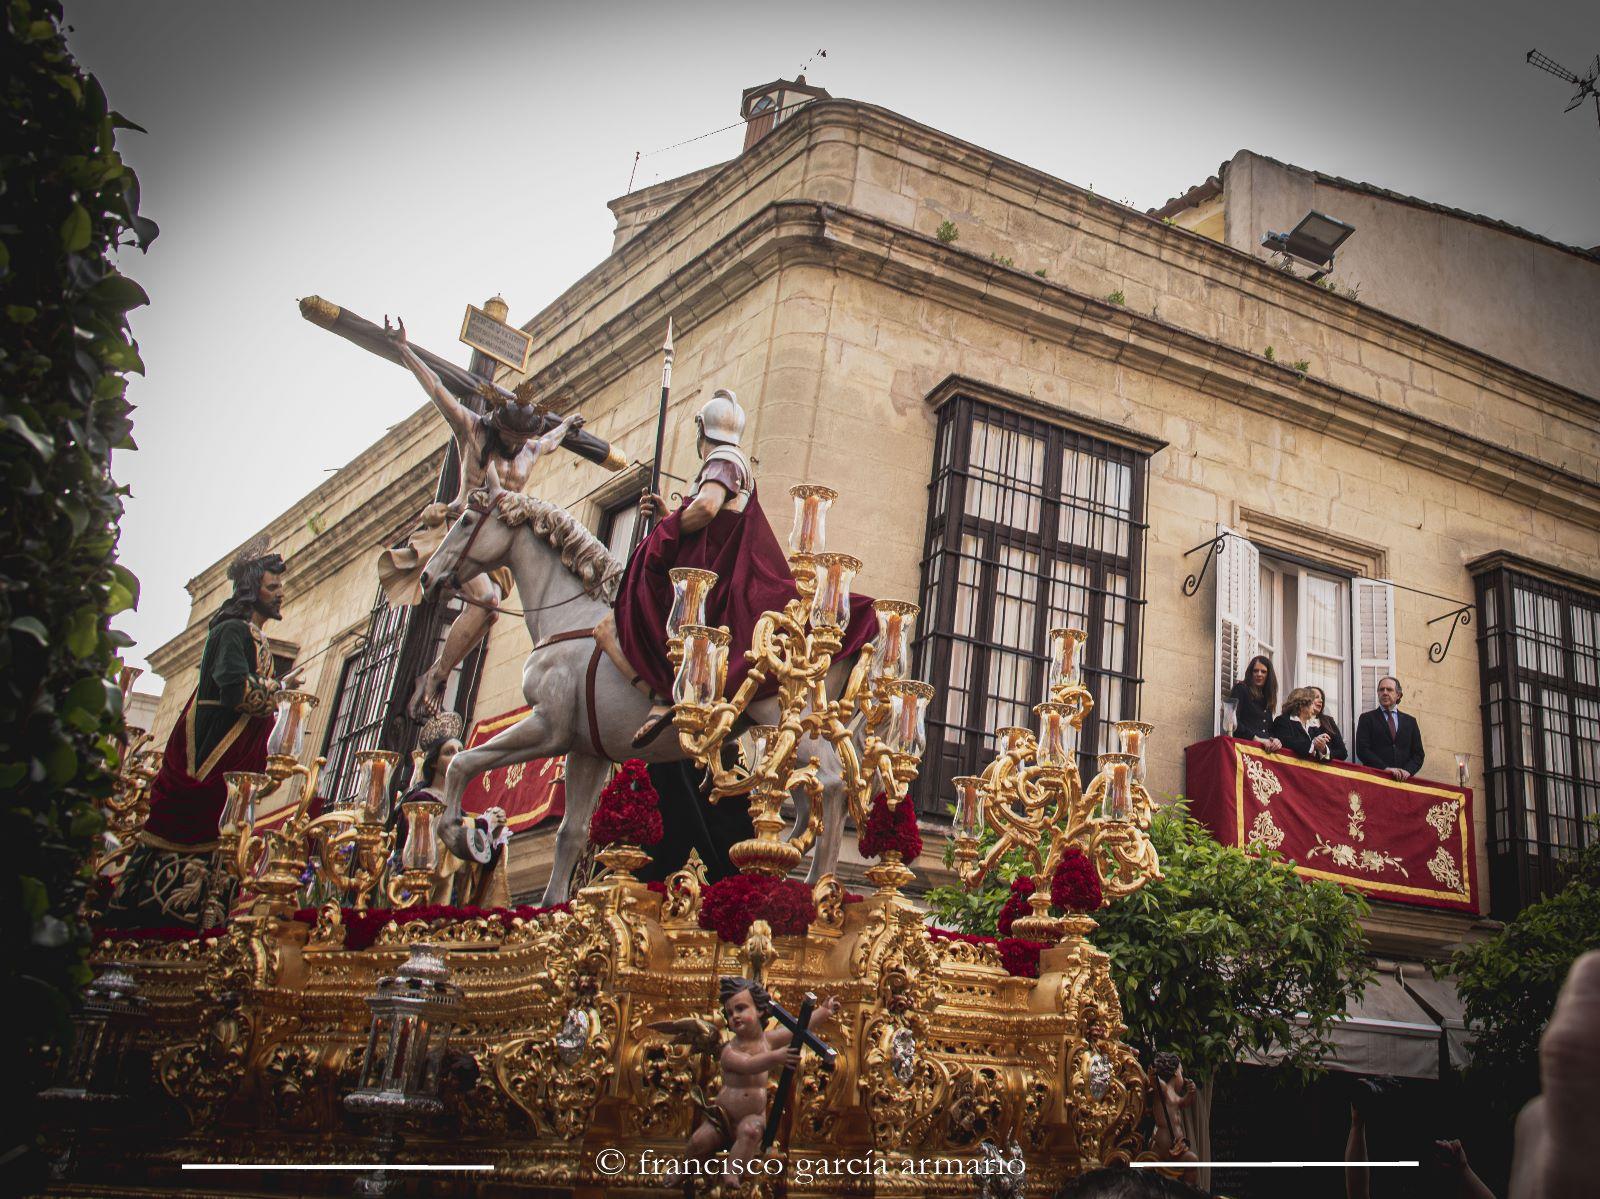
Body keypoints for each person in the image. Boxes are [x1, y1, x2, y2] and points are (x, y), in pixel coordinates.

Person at [595, 388, 877, 747]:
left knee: (630, 614)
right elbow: (716, 522)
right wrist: (672, 516)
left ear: (702, 431)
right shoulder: (734, 463)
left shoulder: (723, 460)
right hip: (721, 575)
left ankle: (662, 695)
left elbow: (709, 508)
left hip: (721, 587)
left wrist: (666, 529)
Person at [380, 317, 584, 719]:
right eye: (508, 439)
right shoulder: (472, 431)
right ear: (499, 426)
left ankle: (437, 673)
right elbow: (439, 391)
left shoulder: (528, 449)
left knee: (492, 608)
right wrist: (405, 350)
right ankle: (436, 676)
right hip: (465, 527)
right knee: (488, 601)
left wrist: (567, 424)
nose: (513, 447)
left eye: (519, 441)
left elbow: (550, 441)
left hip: (500, 540)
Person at [106, 540, 298, 928]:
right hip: (210, 752)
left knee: (227, 832)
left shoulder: (252, 636)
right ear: (250, 591)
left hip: (234, 755)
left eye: (279, 587)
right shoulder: (231, 630)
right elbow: (230, 684)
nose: (279, 594)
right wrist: (274, 691)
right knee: (205, 820)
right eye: (271, 587)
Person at [683, 977, 839, 1172]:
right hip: (722, 1117)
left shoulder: (768, 1041)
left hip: (752, 1116)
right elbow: (748, 1065)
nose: (735, 1016)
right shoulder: (728, 1051)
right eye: (730, 1013)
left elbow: (798, 1028)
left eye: (740, 1009)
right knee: (699, 1141)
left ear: (760, 1009)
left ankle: (733, 1174)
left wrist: (824, 1011)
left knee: (751, 1132)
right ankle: (682, 1171)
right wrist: (776, 1056)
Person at [389, 713, 510, 907]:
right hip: (418, 894)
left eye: (461, 751)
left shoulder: (457, 808)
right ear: (434, 762)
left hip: (450, 897)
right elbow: (431, 845)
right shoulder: (421, 800)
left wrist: (492, 835)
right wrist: (482, 825)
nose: (457, 756)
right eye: (449, 752)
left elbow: (470, 859)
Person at [1356, 676, 1425, 780]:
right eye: (1381, 689)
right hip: (1376, 778)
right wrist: (1384, 768)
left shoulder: (1410, 722)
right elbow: (1362, 750)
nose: (1384, 692)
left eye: (1389, 689)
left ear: (1398, 695)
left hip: (1403, 782)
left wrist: (1408, 771)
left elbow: (1418, 754)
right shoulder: (1367, 718)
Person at [1227, 654, 1283, 750]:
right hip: (1245, 747)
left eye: (1263, 671)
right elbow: (1232, 720)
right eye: (1255, 671)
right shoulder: (1241, 689)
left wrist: (1275, 740)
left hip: (1264, 750)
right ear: (1250, 673)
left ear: (1269, 675)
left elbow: (1268, 729)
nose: (1259, 674)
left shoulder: (1267, 697)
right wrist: (1257, 739)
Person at [1272, 687, 1339, 761]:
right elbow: (1287, 742)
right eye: (1311, 704)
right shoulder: (1283, 721)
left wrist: (1322, 748)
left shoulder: (1313, 727)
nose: (1313, 708)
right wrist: (1313, 744)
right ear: (1301, 706)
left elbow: (1325, 759)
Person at [1309, 686, 1348, 762]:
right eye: (1316, 697)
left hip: (1327, 770)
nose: (1321, 700)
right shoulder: (1298, 720)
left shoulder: (1328, 721)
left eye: (1322, 698)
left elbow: (1343, 753)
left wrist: (1324, 751)